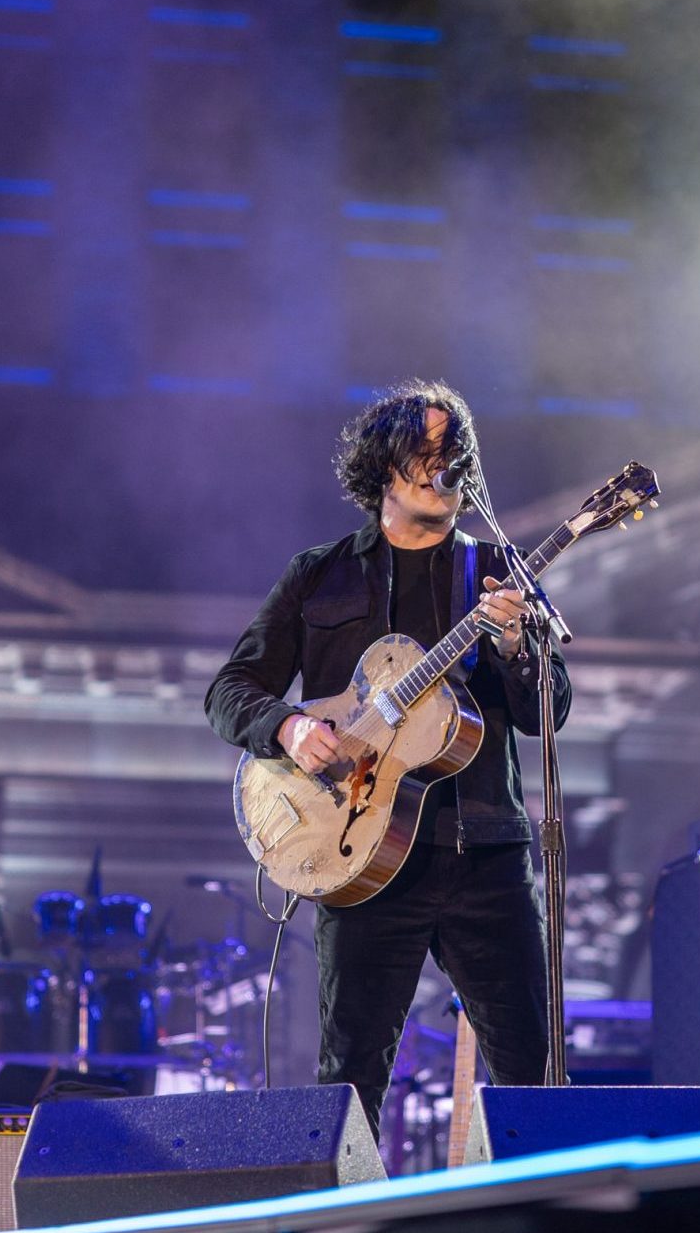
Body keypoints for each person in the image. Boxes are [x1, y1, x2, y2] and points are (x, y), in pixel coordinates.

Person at [206, 381, 571, 1132]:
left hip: (486, 861)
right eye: (424, 454)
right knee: (349, 1086)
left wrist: (513, 645)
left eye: (453, 455)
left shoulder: (499, 573)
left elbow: (551, 710)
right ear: (382, 471)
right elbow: (230, 689)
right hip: (361, 863)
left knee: (531, 1078)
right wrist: (289, 729)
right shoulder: (320, 574)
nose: (442, 469)